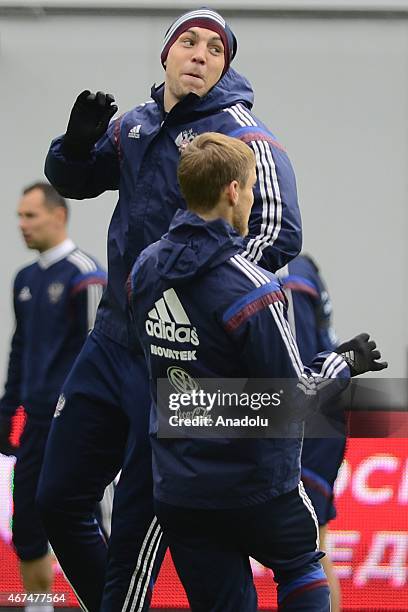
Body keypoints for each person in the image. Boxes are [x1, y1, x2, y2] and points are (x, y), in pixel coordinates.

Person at [38, 8, 302, 611]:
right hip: (110, 342)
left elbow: (279, 233)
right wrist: (74, 146)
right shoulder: (133, 125)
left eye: (216, 49)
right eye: (189, 42)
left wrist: (192, 282)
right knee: (56, 499)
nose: (200, 54)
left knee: (138, 533)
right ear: (166, 55)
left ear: (225, 68)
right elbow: (75, 181)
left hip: (178, 355)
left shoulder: (247, 138)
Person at [128, 131, 387, 611]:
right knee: (301, 567)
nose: (252, 198)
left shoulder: (144, 269)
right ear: (232, 192)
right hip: (256, 485)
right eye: (250, 188)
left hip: (181, 487)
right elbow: (294, 401)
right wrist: (342, 363)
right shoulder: (252, 287)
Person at [0, 182, 107, 612]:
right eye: (20, 217)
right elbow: (20, 349)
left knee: (83, 521)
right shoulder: (25, 280)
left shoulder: (86, 273)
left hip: (77, 425)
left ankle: (105, 602)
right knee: (26, 524)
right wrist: (8, 411)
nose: (22, 225)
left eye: (31, 216)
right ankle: (39, 606)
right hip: (36, 423)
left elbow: (98, 352)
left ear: (58, 215)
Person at [278, 254, 346, 611]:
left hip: (310, 426)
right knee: (312, 549)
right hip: (312, 420)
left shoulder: (289, 275)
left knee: (310, 551)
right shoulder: (299, 268)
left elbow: (300, 372)